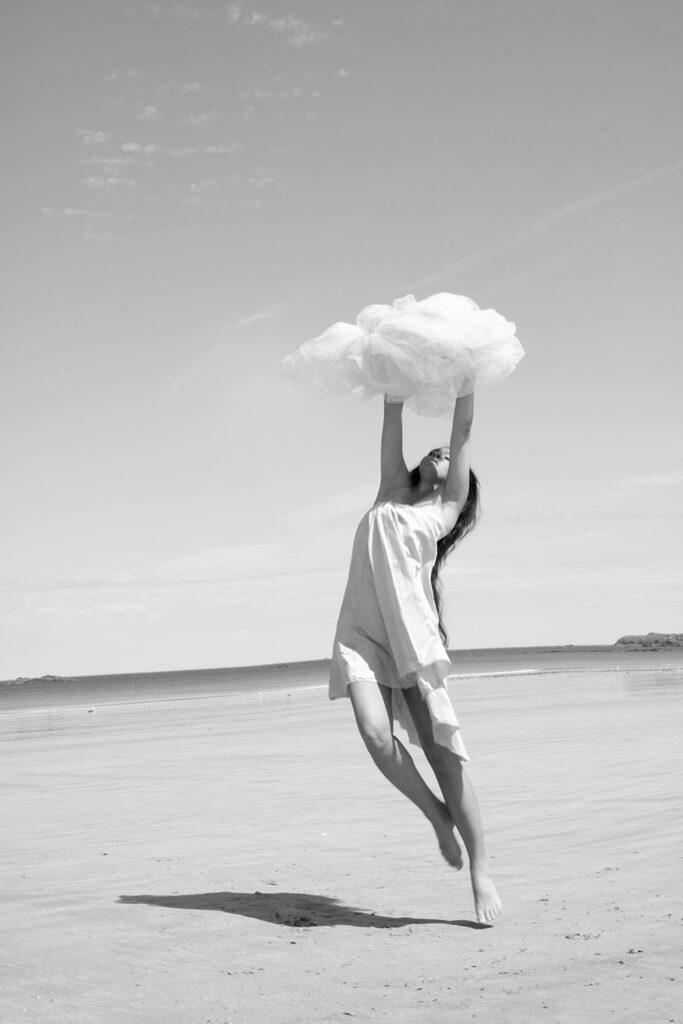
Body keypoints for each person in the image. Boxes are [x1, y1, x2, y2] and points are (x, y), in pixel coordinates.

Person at [328, 391, 502, 925]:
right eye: (437, 451)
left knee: (445, 758)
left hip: (412, 641)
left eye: (447, 458)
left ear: (459, 488)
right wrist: (396, 383)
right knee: (377, 737)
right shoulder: (389, 490)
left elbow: (463, 433)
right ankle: (435, 817)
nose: (440, 452)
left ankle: (481, 870)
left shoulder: (443, 511)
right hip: (359, 636)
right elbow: (390, 412)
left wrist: (465, 381)